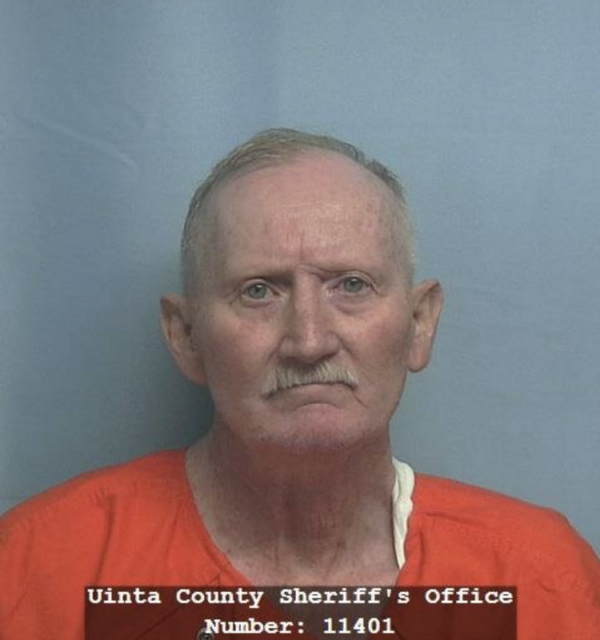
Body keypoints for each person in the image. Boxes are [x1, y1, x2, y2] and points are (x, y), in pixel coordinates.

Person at [1, 128, 598, 639]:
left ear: (419, 324)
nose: (309, 341)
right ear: (186, 335)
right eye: (259, 291)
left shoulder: (540, 579)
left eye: (352, 285)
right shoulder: (39, 567)